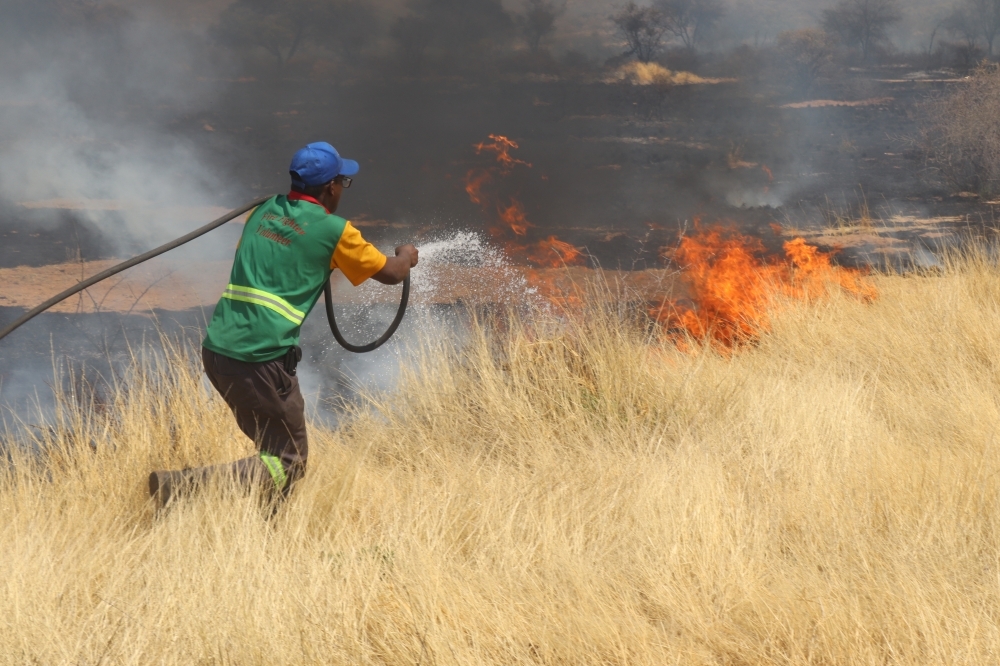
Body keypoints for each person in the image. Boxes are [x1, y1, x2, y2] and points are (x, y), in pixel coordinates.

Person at [149, 141, 418, 508]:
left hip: (219, 352)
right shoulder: (335, 230)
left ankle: (268, 537)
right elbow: (392, 273)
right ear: (330, 188)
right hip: (259, 359)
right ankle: (180, 488)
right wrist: (406, 253)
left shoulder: (261, 212)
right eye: (343, 182)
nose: (343, 190)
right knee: (289, 461)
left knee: (275, 455)